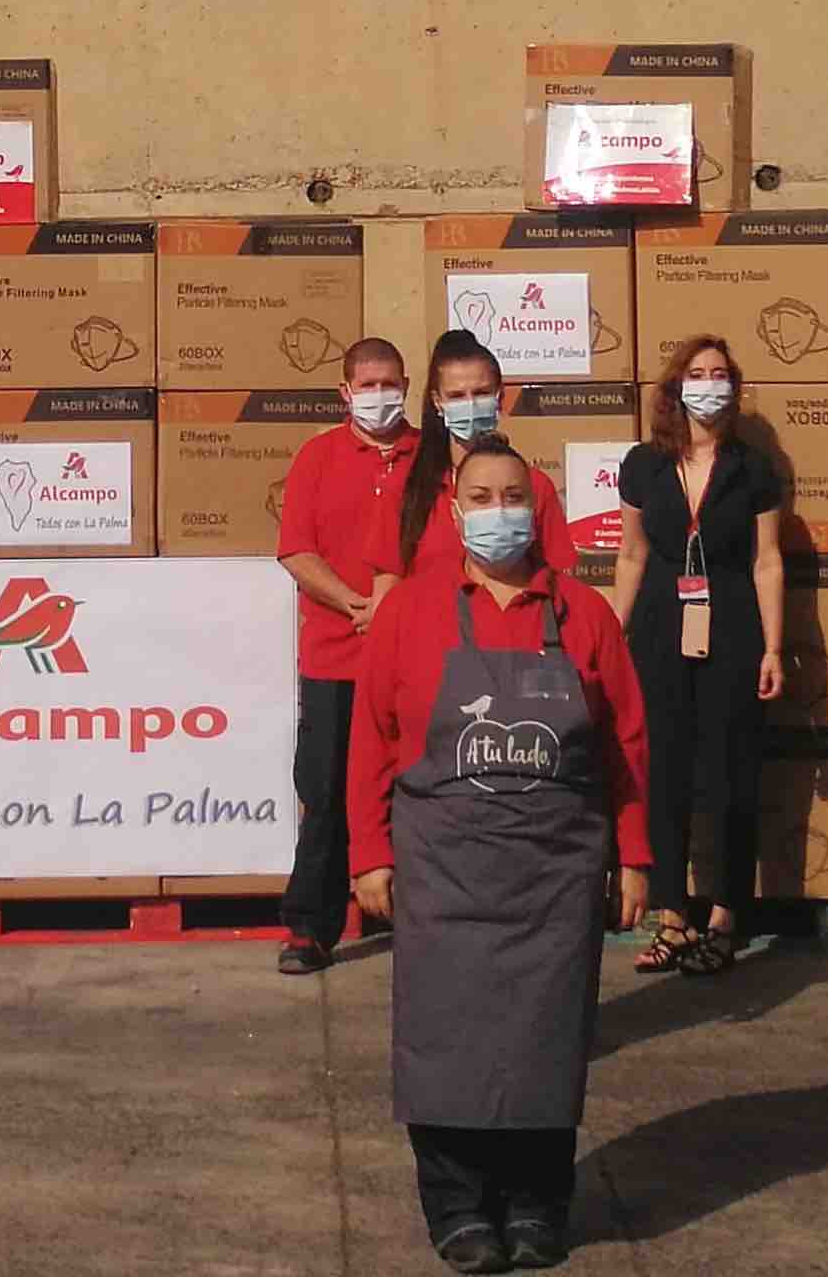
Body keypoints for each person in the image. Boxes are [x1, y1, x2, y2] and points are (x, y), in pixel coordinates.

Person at [346, 436, 653, 1275]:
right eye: (479, 498)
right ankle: (456, 1204)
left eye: (513, 495)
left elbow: (626, 742)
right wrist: (369, 854)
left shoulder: (582, 615)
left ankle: (536, 1204)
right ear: (454, 510)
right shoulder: (410, 609)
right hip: (442, 867)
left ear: (539, 505)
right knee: (446, 1041)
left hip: (555, 874)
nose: (498, 512)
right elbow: (371, 741)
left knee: (544, 1041)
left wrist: (634, 855)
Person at [609, 336, 785, 974]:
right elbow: (630, 555)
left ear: (733, 388)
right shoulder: (642, 465)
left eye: (720, 374)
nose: (708, 383)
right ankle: (673, 917)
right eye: (697, 373)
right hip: (659, 630)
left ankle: (724, 916)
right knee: (663, 776)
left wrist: (771, 646)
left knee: (731, 776)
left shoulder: (753, 467)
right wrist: (613, 638)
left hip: (733, 631)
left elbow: (767, 561)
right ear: (675, 387)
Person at [272, 337, 419, 975]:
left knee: (418, 790)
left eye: (391, 383)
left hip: (414, 660)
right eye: (367, 384)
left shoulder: (433, 457)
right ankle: (311, 927)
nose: (379, 395)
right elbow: (296, 553)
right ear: (344, 392)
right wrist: (360, 605)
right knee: (326, 791)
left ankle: (423, 920)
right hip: (333, 657)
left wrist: (395, 611)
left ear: (408, 386)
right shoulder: (318, 457)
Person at [391, 332, 568, 578]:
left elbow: (556, 576)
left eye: (481, 392)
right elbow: (387, 584)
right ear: (437, 401)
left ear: (500, 396)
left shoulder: (534, 486)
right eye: (456, 396)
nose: (471, 404)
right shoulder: (405, 484)